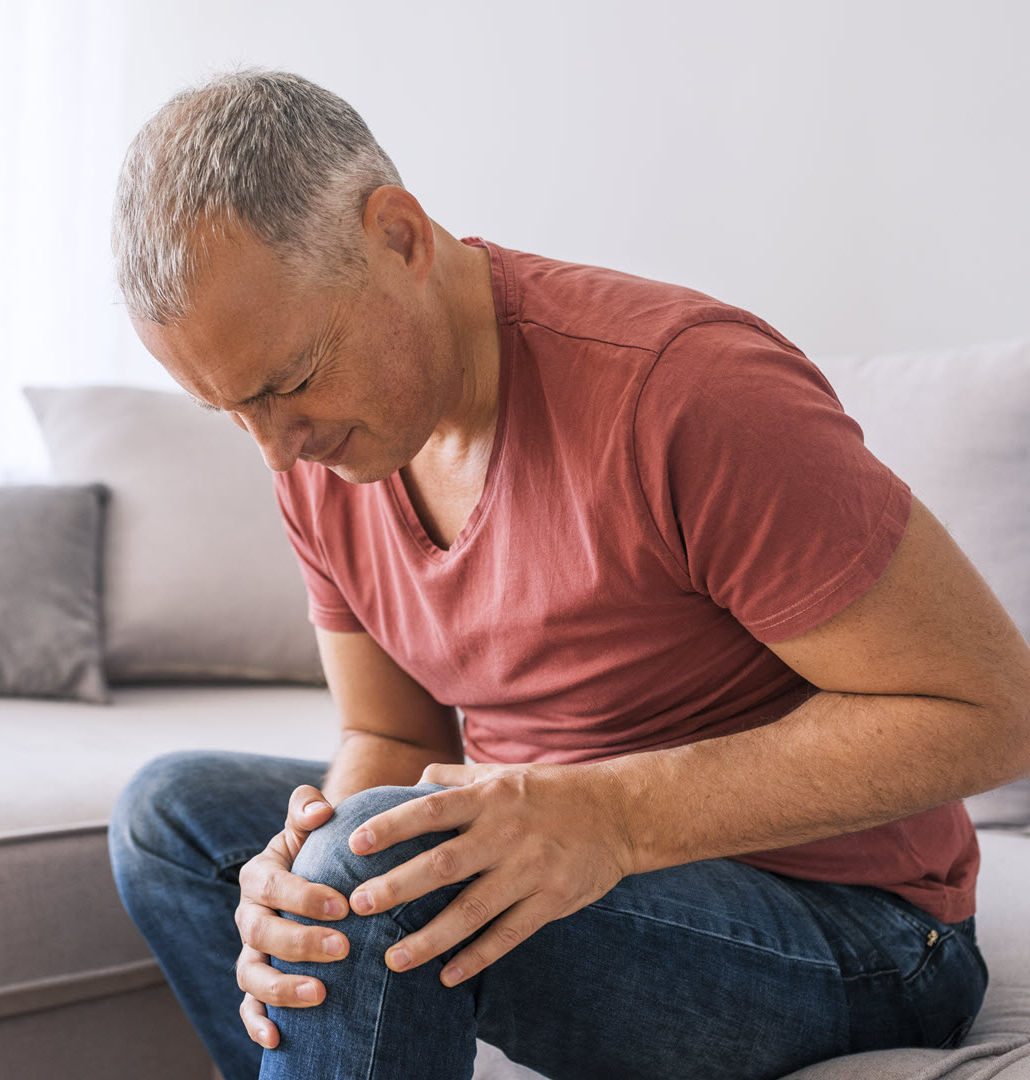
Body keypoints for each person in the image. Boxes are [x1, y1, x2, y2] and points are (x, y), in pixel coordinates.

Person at [106, 69, 1030, 1080]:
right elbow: (390, 734)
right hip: (572, 874)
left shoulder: (682, 393)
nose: (277, 452)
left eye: (289, 383)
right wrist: (299, 875)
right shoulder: (327, 456)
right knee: (174, 820)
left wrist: (611, 816)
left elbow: (990, 708)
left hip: (859, 933)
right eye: (230, 410)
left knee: (388, 869)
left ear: (400, 238)